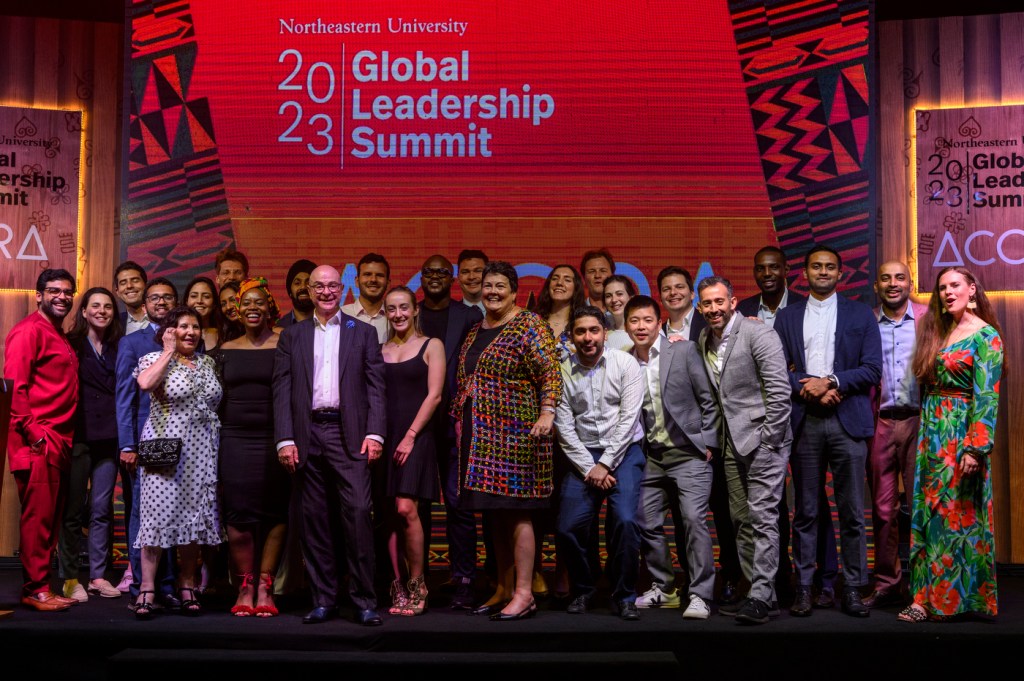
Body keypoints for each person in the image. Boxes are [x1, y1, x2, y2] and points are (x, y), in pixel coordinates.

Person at [273, 265, 386, 627]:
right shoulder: (292, 335)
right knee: (314, 520)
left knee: (357, 515)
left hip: (349, 435)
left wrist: (375, 433)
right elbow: (282, 390)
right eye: (318, 285)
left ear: (342, 288)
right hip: (306, 436)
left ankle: (365, 600)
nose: (325, 291)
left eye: (332, 285)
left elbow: (376, 388)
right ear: (307, 289)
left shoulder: (363, 333)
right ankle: (323, 599)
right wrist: (285, 438)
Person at [451, 261, 562, 621]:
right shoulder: (476, 328)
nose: (493, 292)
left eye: (500, 286)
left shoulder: (530, 325)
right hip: (480, 437)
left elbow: (550, 373)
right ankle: (503, 586)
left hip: (517, 433)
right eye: (488, 286)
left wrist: (547, 411)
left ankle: (525, 593)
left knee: (517, 513)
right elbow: (469, 378)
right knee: (493, 515)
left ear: (514, 291)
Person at [774, 245, 881, 618]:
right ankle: (804, 588)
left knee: (852, 511)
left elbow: (872, 369)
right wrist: (805, 385)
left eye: (830, 267)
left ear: (840, 274)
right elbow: (775, 369)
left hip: (847, 420)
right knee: (805, 511)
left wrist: (832, 381)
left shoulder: (860, 313)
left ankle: (852, 588)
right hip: (804, 420)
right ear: (804, 273)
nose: (823, 272)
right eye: (816, 266)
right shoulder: (786, 317)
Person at [899, 266, 1003, 623]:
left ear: (971, 289)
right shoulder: (936, 331)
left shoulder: (985, 336)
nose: (947, 292)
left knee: (956, 516)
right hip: (933, 432)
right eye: (942, 287)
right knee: (928, 515)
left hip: (961, 435)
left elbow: (987, 396)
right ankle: (923, 596)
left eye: (955, 285)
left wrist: (976, 448)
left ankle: (949, 600)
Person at [735, 245, 836, 604]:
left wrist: (800, 381)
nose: (767, 274)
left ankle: (823, 579)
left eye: (774, 268)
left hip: (803, 413)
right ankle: (773, 582)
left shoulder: (805, 308)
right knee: (766, 505)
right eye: (760, 268)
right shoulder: (742, 311)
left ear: (787, 270)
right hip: (755, 420)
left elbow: (810, 363)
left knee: (811, 503)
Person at [697, 277, 791, 625]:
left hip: (764, 440)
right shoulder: (705, 337)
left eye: (719, 301)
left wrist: (770, 440)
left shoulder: (759, 333)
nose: (713, 309)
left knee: (763, 517)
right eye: (707, 304)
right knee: (741, 520)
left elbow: (779, 392)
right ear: (700, 308)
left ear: (733, 302)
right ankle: (760, 593)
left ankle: (761, 595)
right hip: (730, 444)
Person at [625, 295, 720, 620]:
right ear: (626, 326)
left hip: (689, 454)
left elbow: (707, 399)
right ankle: (664, 588)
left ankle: (700, 594)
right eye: (634, 321)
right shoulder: (625, 361)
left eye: (647, 320)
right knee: (645, 520)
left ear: (658, 322)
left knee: (693, 521)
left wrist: (708, 442)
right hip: (651, 456)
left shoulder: (682, 350)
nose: (641, 327)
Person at [132, 305, 225, 619]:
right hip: (165, 453)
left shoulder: (208, 362)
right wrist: (168, 352)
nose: (191, 332)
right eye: (183, 326)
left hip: (202, 453)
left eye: (195, 327)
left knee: (193, 521)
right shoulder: (152, 359)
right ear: (168, 331)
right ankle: (147, 588)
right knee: (156, 519)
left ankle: (187, 585)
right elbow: (145, 384)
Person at [555, 306, 645, 620]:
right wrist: (588, 466)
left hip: (624, 454)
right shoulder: (563, 370)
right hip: (582, 456)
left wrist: (605, 465)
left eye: (594, 330)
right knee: (567, 527)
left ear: (605, 332)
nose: (588, 337)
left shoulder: (626, 363)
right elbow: (563, 426)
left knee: (624, 521)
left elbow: (628, 420)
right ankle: (584, 589)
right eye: (580, 332)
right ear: (571, 336)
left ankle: (624, 595)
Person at [657, 265, 738, 604]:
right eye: (666, 288)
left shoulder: (708, 321)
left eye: (680, 287)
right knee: (683, 515)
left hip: (718, 433)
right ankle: (692, 582)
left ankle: (731, 576)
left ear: (692, 294)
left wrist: (708, 438)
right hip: (678, 441)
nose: (673, 292)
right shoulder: (655, 330)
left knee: (723, 510)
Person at [214, 278, 290, 617]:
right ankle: (244, 585)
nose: (253, 307)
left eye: (260, 302)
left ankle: (265, 584)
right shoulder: (225, 349)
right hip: (234, 439)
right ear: (237, 310)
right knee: (237, 514)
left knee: (275, 511)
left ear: (271, 308)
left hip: (278, 439)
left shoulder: (286, 344)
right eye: (246, 303)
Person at [5, 269, 80, 612]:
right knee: (37, 520)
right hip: (38, 440)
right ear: (38, 296)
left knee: (49, 518)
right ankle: (36, 590)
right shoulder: (28, 331)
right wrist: (34, 434)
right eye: (54, 291)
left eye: (67, 291)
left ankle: (42, 587)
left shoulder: (59, 334)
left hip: (58, 440)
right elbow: (15, 388)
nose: (62, 296)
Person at [417, 254, 482, 609]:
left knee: (460, 505)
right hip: (419, 425)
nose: (436, 277)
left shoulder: (469, 316)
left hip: (459, 425)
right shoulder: (410, 314)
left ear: (452, 278)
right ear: (421, 277)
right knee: (417, 505)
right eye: (430, 272)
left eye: (443, 272)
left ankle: (464, 579)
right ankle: (418, 579)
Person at [863, 261, 928, 609]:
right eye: (886, 278)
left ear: (910, 282)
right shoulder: (866, 322)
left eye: (899, 277)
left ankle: (923, 585)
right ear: (877, 285)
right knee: (883, 508)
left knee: (920, 507)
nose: (893, 283)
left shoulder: (929, 317)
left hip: (921, 421)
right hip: (881, 423)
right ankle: (887, 582)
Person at [116, 277, 182, 611]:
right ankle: (143, 587)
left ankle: (168, 585)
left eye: (167, 298)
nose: (160, 303)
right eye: (154, 298)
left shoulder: (189, 340)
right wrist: (127, 444)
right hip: (145, 441)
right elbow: (124, 399)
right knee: (144, 514)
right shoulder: (132, 343)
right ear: (145, 304)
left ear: (175, 302)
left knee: (172, 513)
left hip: (182, 443)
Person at [379, 286, 445, 616]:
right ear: (385, 313)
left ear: (415, 309)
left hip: (416, 437)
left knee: (406, 508)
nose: (398, 314)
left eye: (404, 307)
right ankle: (397, 586)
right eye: (392, 309)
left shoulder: (432, 345)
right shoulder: (380, 349)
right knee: (389, 513)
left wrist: (410, 435)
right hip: (383, 437)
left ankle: (418, 583)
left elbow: (434, 396)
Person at [57, 287, 124, 603]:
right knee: (72, 510)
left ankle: (98, 575)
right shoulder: (70, 344)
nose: (101, 310)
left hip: (109, 436)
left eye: (107, 306)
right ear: (83, 311)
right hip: (78, 433)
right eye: (94, 305)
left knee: (101, 509)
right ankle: (70, 578)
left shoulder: (118, 345)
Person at [534, 264, 585, 361]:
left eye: (567, 280)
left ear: (576, 288)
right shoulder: (533, 321)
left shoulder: (582, 325)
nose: (559, 283)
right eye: (555, 279)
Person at [343, 252, 390, 344]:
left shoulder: (396, 318)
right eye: (367, 274)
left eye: (379, 275)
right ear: (357, 281)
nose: (373, 280)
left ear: (388, 283)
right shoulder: (340, 315)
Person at [183, 276, 223, 351]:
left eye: (206, 297)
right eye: (194, 296)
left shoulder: (225, 334)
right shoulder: (176, 333)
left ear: (214, 303)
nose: (199, 301)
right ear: (186, 301)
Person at [278, 259, 317, 328]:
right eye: (297, 283)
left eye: (308, 283)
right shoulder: (279, 327)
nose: (303, 287)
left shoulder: (330, 325)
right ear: (290, 292)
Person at [602, 274, 636, 352]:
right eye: (608, 296)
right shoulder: (603, 334)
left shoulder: (644, 331)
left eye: (619, 294)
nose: (614, 300)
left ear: (631, 297)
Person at [115, 260, 149, 334]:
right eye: (123, 283)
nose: (129, 286)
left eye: (135, 281)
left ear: (146, 286)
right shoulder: (113, 324)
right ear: (117, 292)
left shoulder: (163, 318)